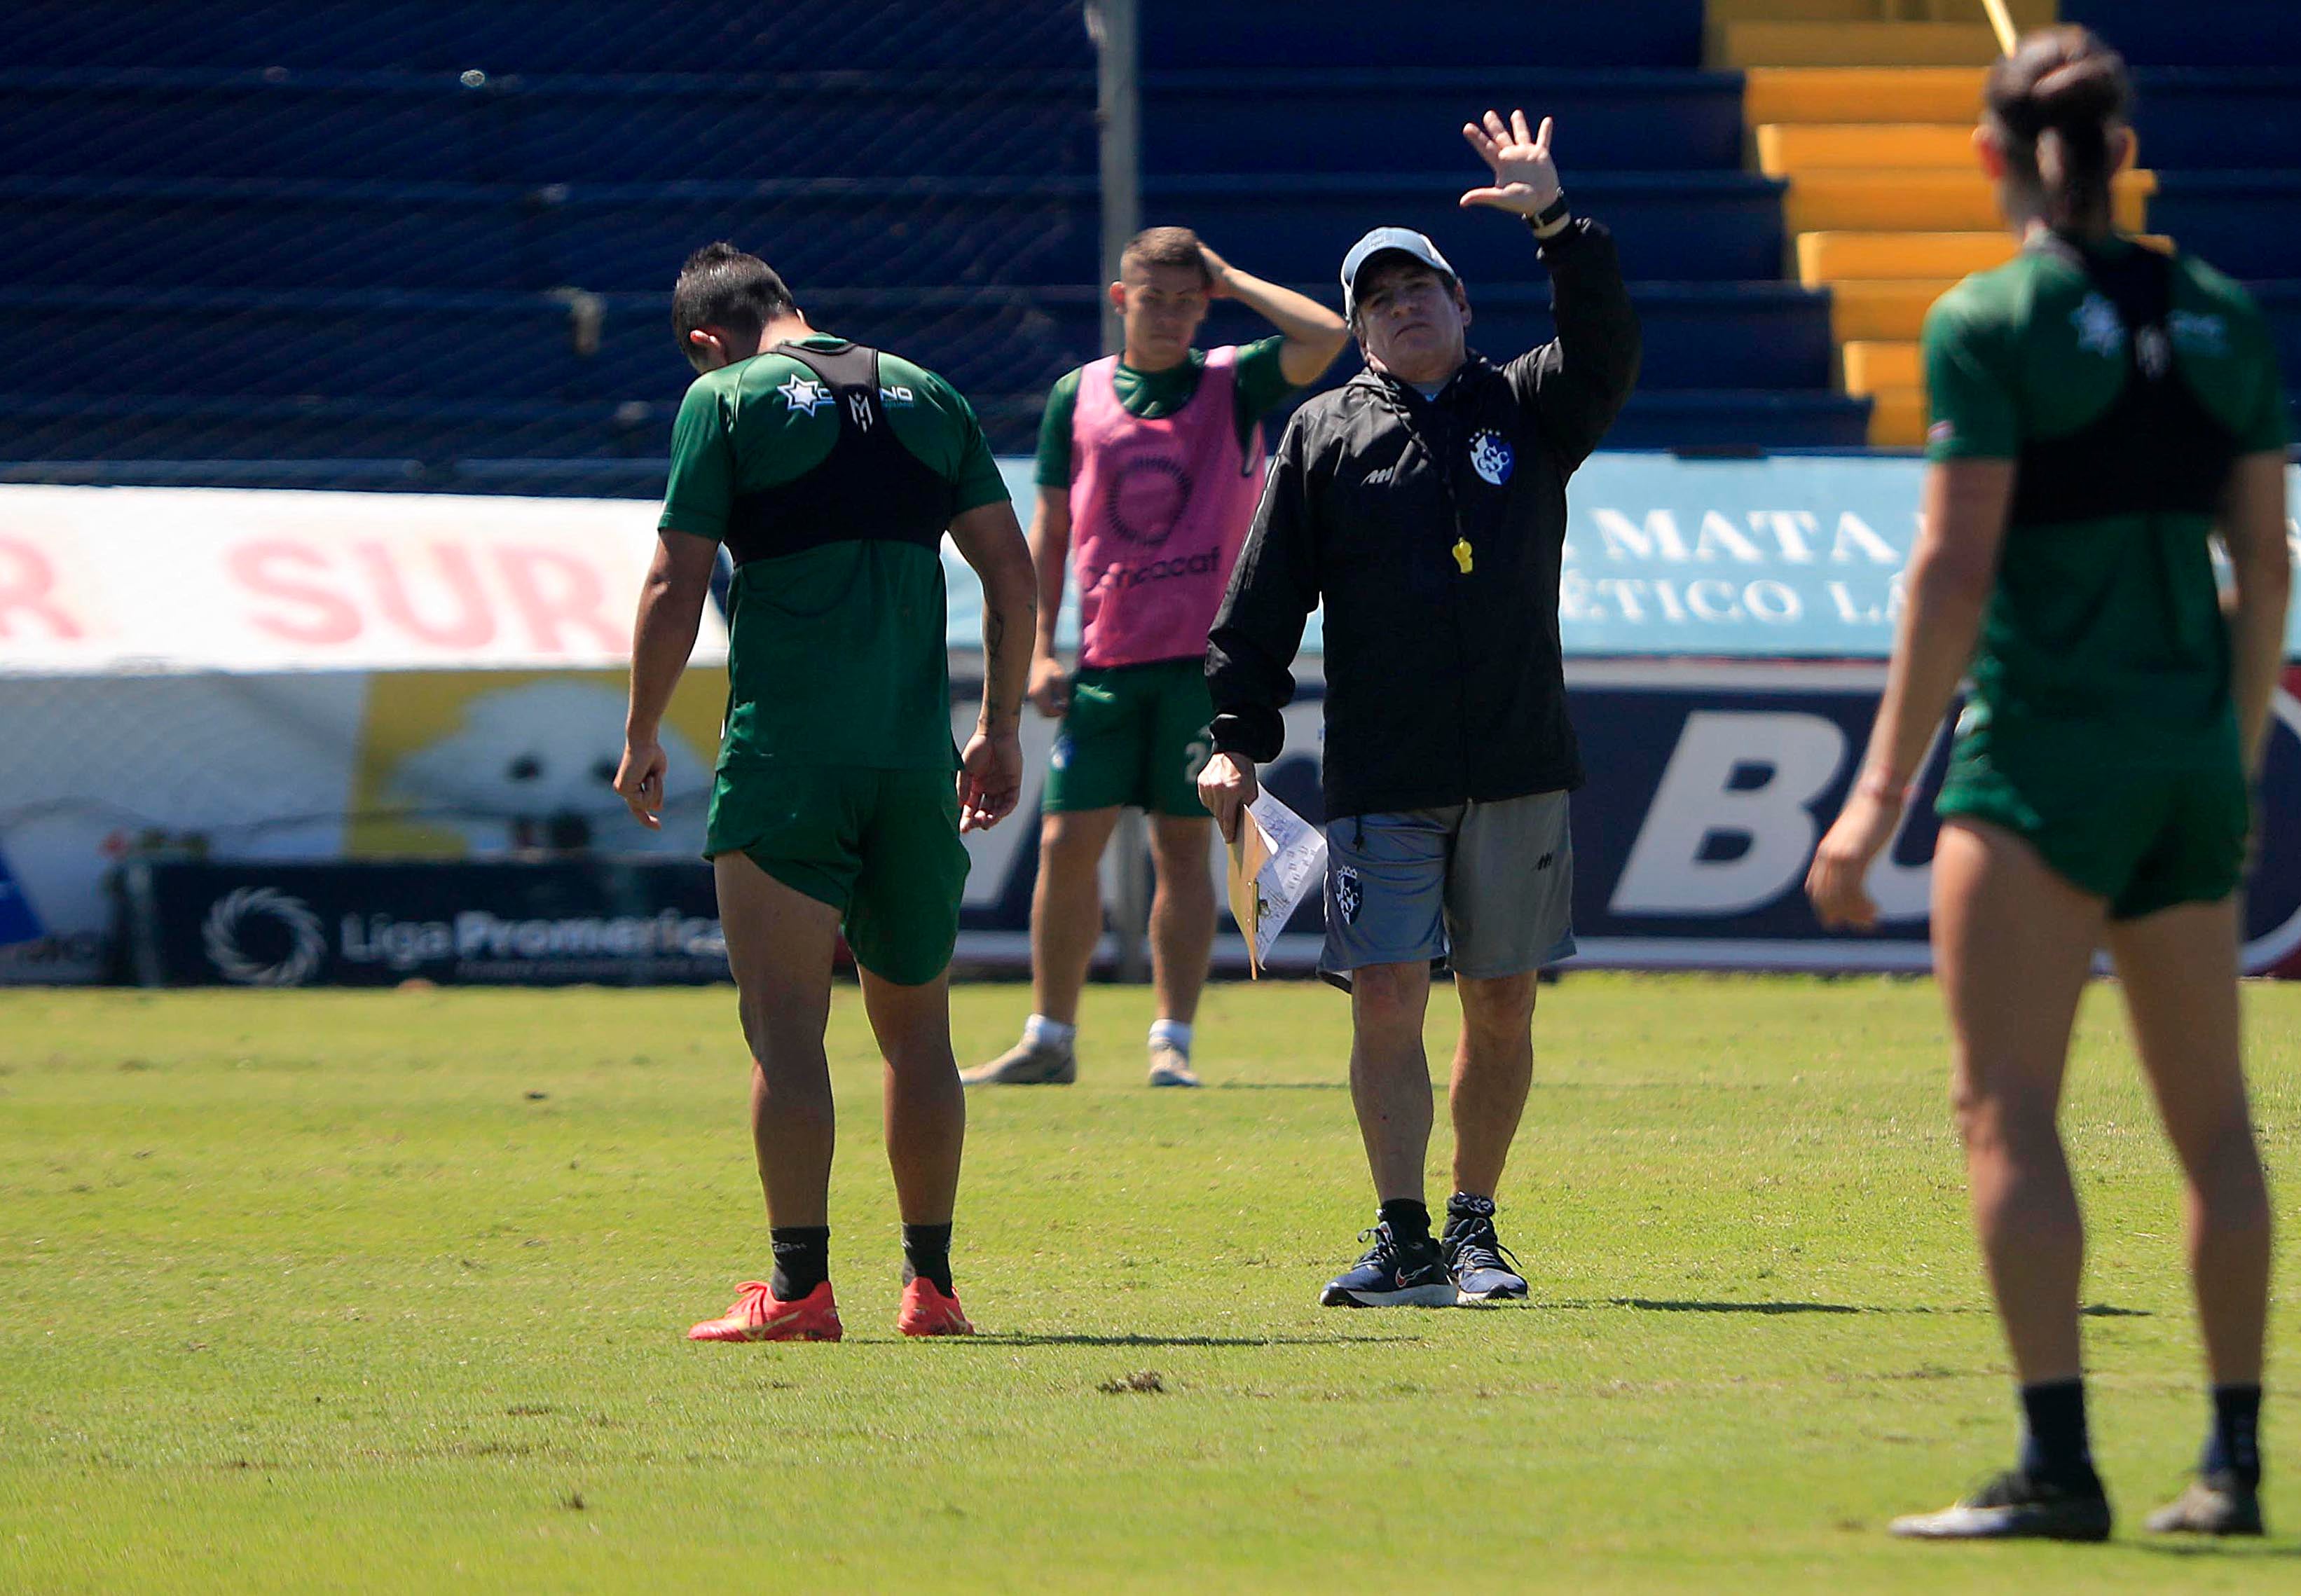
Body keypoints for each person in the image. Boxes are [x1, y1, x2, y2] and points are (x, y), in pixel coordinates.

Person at [1806, 27, 2290, 1542]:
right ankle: (2230, 1463)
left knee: (2005, 1102)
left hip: (2039, 759)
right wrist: (2233, 758)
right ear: (2123, 152)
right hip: (2185, 761)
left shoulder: (1989, 319)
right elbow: (2264, 569)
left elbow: (1952, 573)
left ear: (1989, 158)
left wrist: (1873, 799)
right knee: (2213, 1124)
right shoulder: (2223, 314)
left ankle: (2056, 1462)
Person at [1202, 111, 1639, 1307]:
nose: (1403, 307)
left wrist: (1556, 223)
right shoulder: (1324, 433)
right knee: (1388, 992)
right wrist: (1236, 738)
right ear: (1358, 329)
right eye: (1379, 298)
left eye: (1420, 288)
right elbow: (1261, 599)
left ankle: (1475, 1227)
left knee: (1499, 997)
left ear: (1461, 303)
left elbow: (1606, 343)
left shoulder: (1532, 407)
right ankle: (1403, 1239)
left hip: (1517, 759)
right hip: (1382, 772)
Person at [615, 242, 1036, 1344]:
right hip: (912, 762)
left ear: (704, 340)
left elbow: (675, 577)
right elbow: (1011, 569)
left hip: (788, 760)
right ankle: (931, 1287)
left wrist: (643, 728)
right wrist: (997, 725)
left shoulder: (723, 400)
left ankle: (799, 1289)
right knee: (921, 1033)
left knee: (787, 1032)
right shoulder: (930, 393)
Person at [963, 228, 1347, 1089]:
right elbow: (1050, 532)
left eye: (1186, 300)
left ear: (1204, 305)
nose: (1170, 316)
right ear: (1120, 301)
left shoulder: (1231, 382)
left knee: (1181, 849)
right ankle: (1050, 1035)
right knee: (1066, 841)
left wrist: (1231, 276)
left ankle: (1171, 1039)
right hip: (1104, 664)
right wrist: (1039, 652)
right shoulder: (1079, 395)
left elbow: (1327, 334)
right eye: (1153, 299)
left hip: (1200, 670)